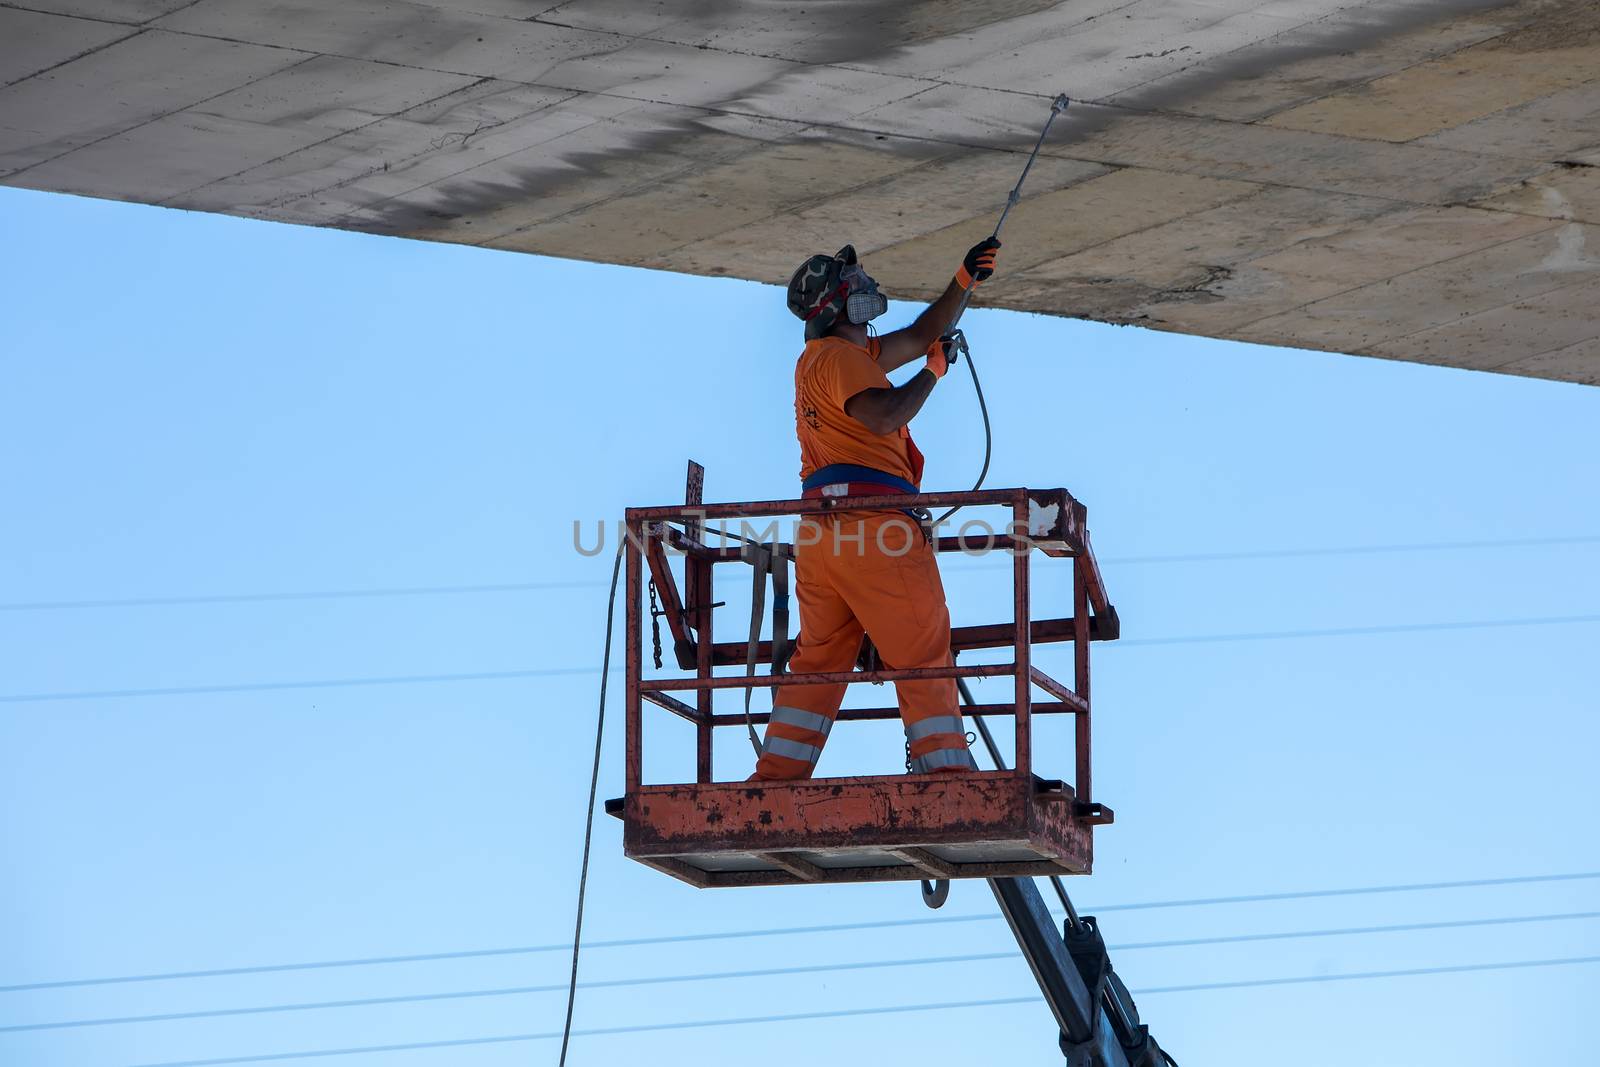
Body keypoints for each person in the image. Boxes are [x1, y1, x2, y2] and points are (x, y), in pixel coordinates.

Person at [750, 238, 1002, 780]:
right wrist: (934, 374)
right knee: (922, 650)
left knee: (818, 664)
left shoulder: (828, 358)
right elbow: (885, 416)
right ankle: (947, 775)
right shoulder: (842, 360)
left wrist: (963, 279)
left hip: (821, 538)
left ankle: (775, 780)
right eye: (856, 285)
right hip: (874, 532)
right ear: (839, 306)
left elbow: (916, 336)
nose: (869, 288)